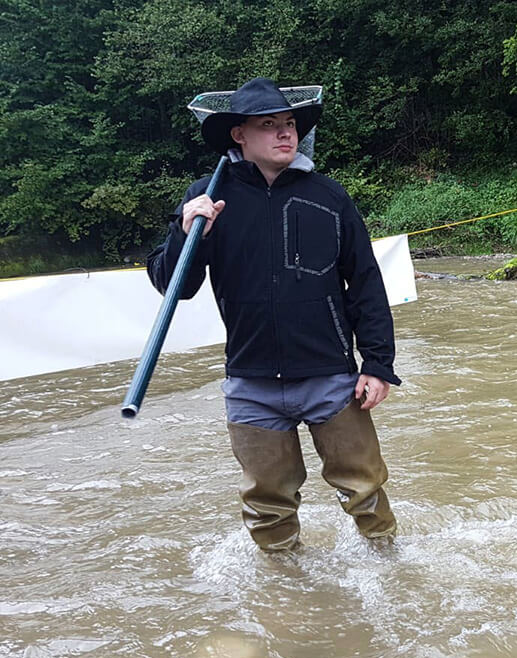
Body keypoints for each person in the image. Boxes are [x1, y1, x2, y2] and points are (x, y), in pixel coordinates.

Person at [146, 77, 400, 552]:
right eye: (269, 125)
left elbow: (365, 283)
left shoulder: (329, 196)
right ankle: (288, 598)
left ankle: (391, 570)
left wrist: (378, 365)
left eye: (289, 124)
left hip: (331, 376)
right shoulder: (206, 197)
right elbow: (172, 285)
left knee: (365, 490)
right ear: (238, 135)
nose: (286, 134)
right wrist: (187, 232)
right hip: (251, 383)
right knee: (267, 507)